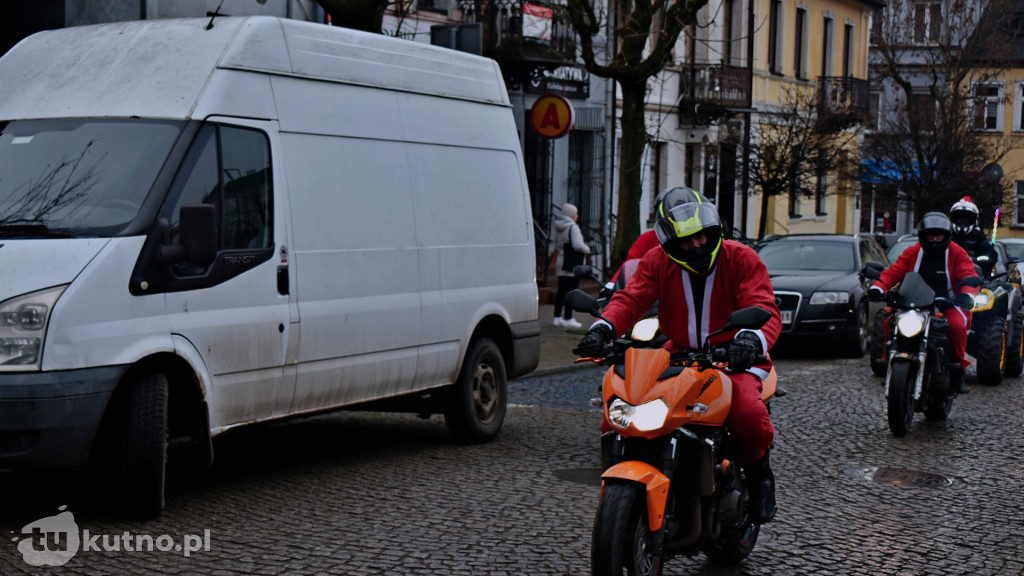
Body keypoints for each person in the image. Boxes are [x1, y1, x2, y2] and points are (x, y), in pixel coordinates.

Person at [573, 187, 781, 524]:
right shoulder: (657, 260)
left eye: (701, 236)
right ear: (671, 243)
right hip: (677, 353)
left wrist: (749, 340)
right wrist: (602, 329)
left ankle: (760, 475)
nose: (696, 245)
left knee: (746, 413)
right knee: (622, 411)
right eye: (686, 241)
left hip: (733, 356)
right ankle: (631, 480)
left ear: (712, 230)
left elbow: (762, 305)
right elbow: (632, 298)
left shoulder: (741, 258)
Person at [867, 212, 979, 394]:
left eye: (938, 235)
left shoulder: (957, 252)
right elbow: (894, 271)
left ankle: (957, 370)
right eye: (930, 235)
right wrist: (878, 287)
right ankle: (889, 363)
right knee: (890, 323)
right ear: (923, 236)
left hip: (947, 303)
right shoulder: (913, 252)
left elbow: (968, 274)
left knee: (957, 326)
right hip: (914, 302)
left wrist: (966, 294)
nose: (934, 239)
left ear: (946, 235)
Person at [552, 202, 591, 330]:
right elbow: (577, 245)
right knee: (572, 291)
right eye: (575, 214)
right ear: (570, 215)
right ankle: (568, 318)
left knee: (561, 291)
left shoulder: (558, 226)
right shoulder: (573, 227)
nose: (577, 216)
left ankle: (557, 317)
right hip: (572, 263)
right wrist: (587, 249)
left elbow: (557, 244)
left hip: (561, 261)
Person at [949, 196, 999, 277]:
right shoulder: (948, 235)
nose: (962, 222)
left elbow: (990, 254)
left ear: (973, 220)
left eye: (966, 220)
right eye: (959, 219)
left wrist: (974, 260)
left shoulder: (978, 236)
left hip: (975, 276)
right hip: (949, 277)